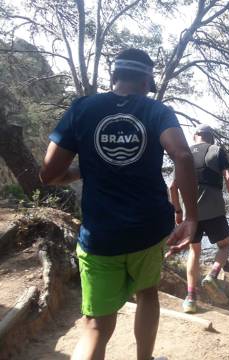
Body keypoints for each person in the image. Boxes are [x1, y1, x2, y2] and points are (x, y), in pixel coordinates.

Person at [39, 48, 198, 360]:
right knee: (147, 294)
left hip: (100, 235)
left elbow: (49, 173)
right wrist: (191, 217)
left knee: (96, 326)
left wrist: (85, 169)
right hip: (149, 230)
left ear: (115, 76)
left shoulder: (83, 108)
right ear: (145, 81)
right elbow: (182, 154)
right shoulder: (157, 111)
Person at [170, 124, 229, 313]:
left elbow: (172, 186)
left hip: (191, 211)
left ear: (195, 136)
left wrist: (178, 211)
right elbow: (228, 177)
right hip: (214, 208)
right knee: (225, 245)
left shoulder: (183, 153)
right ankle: (212, 274)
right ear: (211, 138)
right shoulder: (216, 150)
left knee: (195, 251)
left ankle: (191, 299)